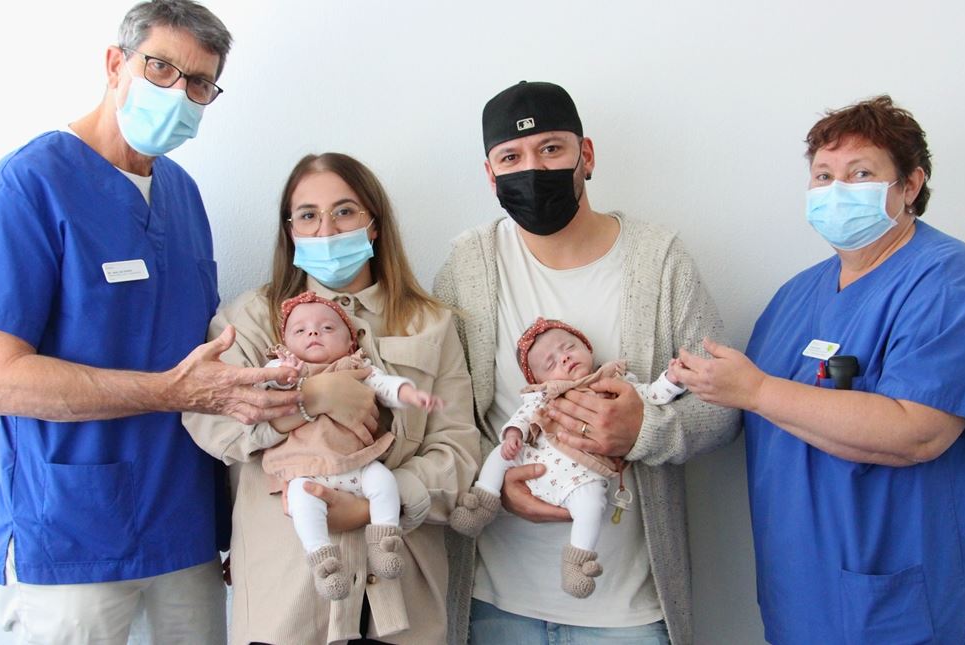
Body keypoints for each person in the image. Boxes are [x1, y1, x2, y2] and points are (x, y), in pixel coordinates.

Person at [0, 2, 311, 642]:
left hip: (182, 527)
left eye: (198, 84)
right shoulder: (27, 187)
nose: (177, 93)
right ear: (115, 64)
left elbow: (200, 360)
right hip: (69, 533)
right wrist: (170, 391)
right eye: (161, 67)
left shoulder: (184, 196)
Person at [673, 95, 965, 644]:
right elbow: (754, 413)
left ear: (911, 185)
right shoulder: (794, 298)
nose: (835, 190)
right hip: (806, 594)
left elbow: (916, 433)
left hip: (912, 598)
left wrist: (755, 390)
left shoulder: (950, 284)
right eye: (822, 175)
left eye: (861, 173)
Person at [435, 81, 740, 644]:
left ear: (587, 155)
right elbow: (440, 417)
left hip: (624, 609)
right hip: (494, 601)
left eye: (552, 149)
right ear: (490, 174)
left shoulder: (659, 260)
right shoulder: (468, 265)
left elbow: (723, 408)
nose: (533, 168)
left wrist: (645, 428)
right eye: (512, 157)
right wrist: (494, 477)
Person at [183, 152, 480, 644]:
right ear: (290, 230)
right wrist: (308, 399)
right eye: (308, 215)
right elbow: (210, 419)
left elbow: (459, 454)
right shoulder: (253, 317)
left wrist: (372, 504)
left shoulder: (430, 323)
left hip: (403, 595)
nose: (326, 230)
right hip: (289, 599)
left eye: (344, 211)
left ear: (374, 224)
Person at [450, 317, 686, 599]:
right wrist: (513, 434)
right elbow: (523, 417)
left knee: (591, 506)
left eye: (569, 347)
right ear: (538, 381)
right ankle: (482, 502)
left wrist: (672, 379)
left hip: (581, 474)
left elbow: (652, 396)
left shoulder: (615, 383)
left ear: (588, 348)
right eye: (550, 364)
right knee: (500, 455)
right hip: (535, 458)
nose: (564, 358)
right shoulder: (543, 396)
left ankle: (577, 563)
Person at [259, 291, 443, 600]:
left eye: (327, 328)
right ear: (285, 343)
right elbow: (266, 392)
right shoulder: (285, 370)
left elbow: (385, 386)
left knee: (384, 482)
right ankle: (322, 560)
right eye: (300, 330)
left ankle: (385, 541)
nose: (313, 333)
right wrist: (288, 374)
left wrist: (410, 394)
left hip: (356, 464)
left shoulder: (355, 367)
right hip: (307, 471)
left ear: (350, 343)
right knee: (302, 503)